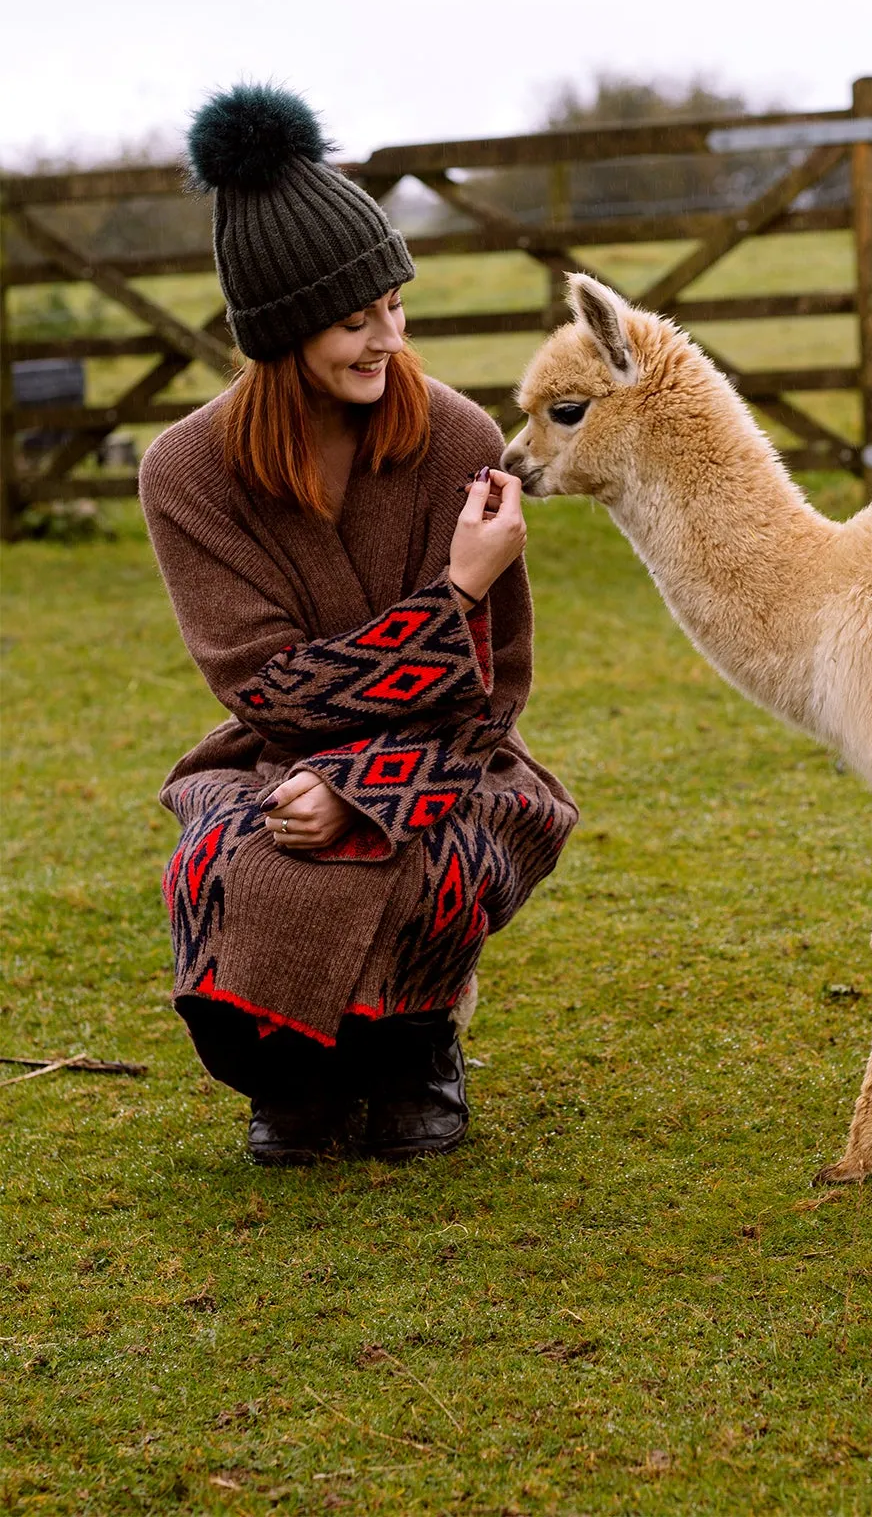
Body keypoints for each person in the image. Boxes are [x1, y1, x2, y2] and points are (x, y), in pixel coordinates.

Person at [139, 83, 578, 1165]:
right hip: (273, 758)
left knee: (430, 855)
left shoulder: (457, 438)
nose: (391, 336)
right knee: (227, 863)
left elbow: (495, 691)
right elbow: (268, 691)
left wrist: (367, 788)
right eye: (356, 319)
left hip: (456, 753)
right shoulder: (186, 473)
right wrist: (449, 603)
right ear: (286, 331)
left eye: (396, 304)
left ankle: (413, 1048)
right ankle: (293, 1073)